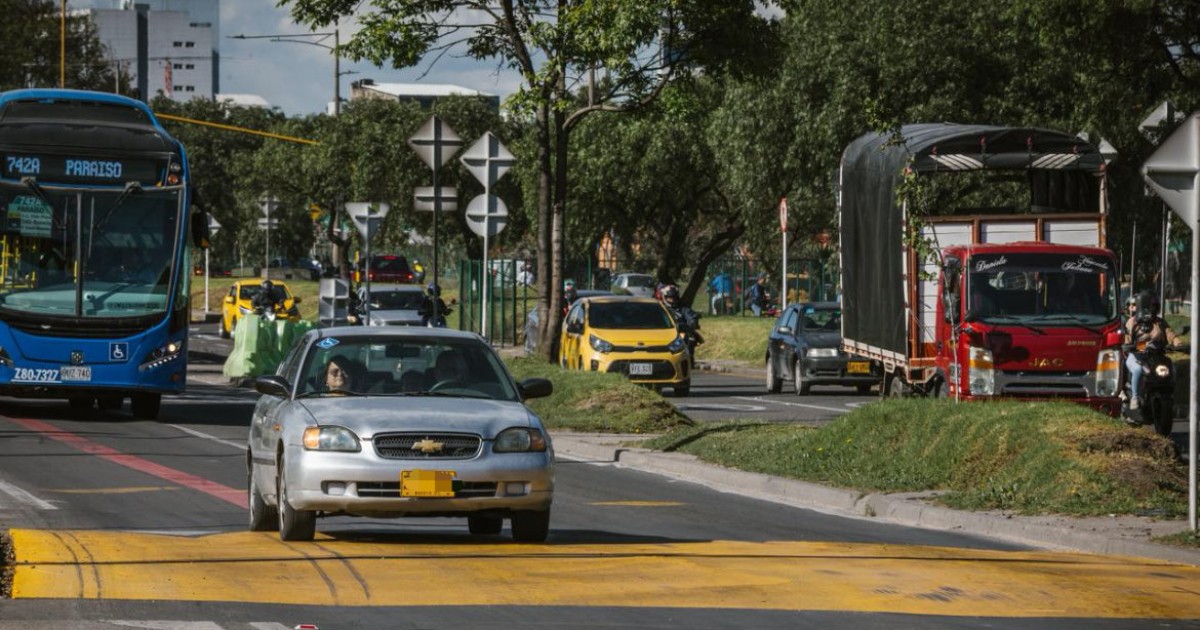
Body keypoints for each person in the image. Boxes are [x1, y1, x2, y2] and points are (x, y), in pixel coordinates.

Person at [1124, 290, 1181, 410]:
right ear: (1143, 306)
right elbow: (1126, 338)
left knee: (1172, 368)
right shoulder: (1132, 322)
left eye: (1156, 305)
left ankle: (1172, 396)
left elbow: (1171, 335)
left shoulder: (1160, 322)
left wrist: (1178, 344)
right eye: (1153, 305)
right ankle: (1135, 397)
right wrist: (1129, 345)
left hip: (1157, 356)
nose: (1155, 308)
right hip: (1137, 357)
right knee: (1138, 370)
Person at [661, 284, 704, 365]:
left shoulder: (683, 308)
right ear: (665, 297)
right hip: (665, 333)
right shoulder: (661, 309)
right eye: (670, 298)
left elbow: (690, 315)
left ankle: (689, 357)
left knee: (691, 338)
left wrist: (693, 321)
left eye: (674, 298)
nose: (672, 300)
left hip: (681, 332)